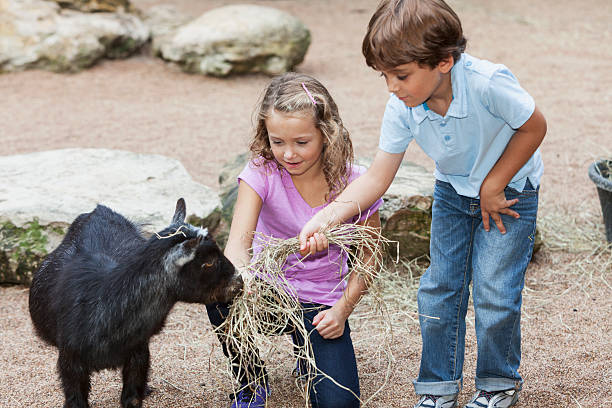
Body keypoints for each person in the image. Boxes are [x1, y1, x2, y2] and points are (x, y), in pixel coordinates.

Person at [298, 1, 547, 407]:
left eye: (400, 75)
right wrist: (327, 216)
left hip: (509, 194)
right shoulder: (402, 105)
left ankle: (499, 383)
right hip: (452, 192)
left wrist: (494, 183)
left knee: (494, 292)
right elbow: (378, 177)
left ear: (444, 61)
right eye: (385, 76)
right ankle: (437, 388)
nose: (391, 87)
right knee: (438, 289)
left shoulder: (487, 83)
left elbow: (535, 125)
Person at [206, 72, 383, 408]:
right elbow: (236, 246)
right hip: (267, 293)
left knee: (339, 404)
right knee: (216, 286)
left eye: (302, 142)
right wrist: (243, 277)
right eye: (277, 141)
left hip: (321, 305)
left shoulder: (356, 182)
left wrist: (342, 310)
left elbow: (372, 256)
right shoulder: (262, 172)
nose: (288, 154)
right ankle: (250, 379)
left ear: (327, 134)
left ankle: (309, 351)